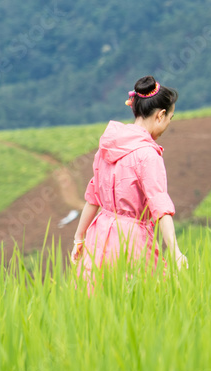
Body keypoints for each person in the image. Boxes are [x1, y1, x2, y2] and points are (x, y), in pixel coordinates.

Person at [70, 75, 188, 286]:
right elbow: (160, 207)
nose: (168, 124)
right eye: (170, 118)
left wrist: (79, 237)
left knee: (97, 303)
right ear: (160, 116)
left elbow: (93, 197)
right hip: (132, 241)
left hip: (98, 237)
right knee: (140, 303)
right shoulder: (148, 155)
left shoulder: (108, 146)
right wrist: (175, 251)